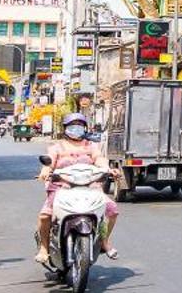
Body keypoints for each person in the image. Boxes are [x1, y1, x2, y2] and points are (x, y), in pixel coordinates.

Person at [35, 113, 118, 264]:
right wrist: (45, 171)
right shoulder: (56, 147)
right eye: (73, 125)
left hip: (90, 187)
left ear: (84, 128)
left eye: (80, 125)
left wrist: (107, 169)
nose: (76, 128)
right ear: (65, 128)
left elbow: (99, 159)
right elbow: (49, 161)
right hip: (62, 187)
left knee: (112, 211)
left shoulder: (91, 146)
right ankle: (44, 247)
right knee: (45, 216)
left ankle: (104, 241)